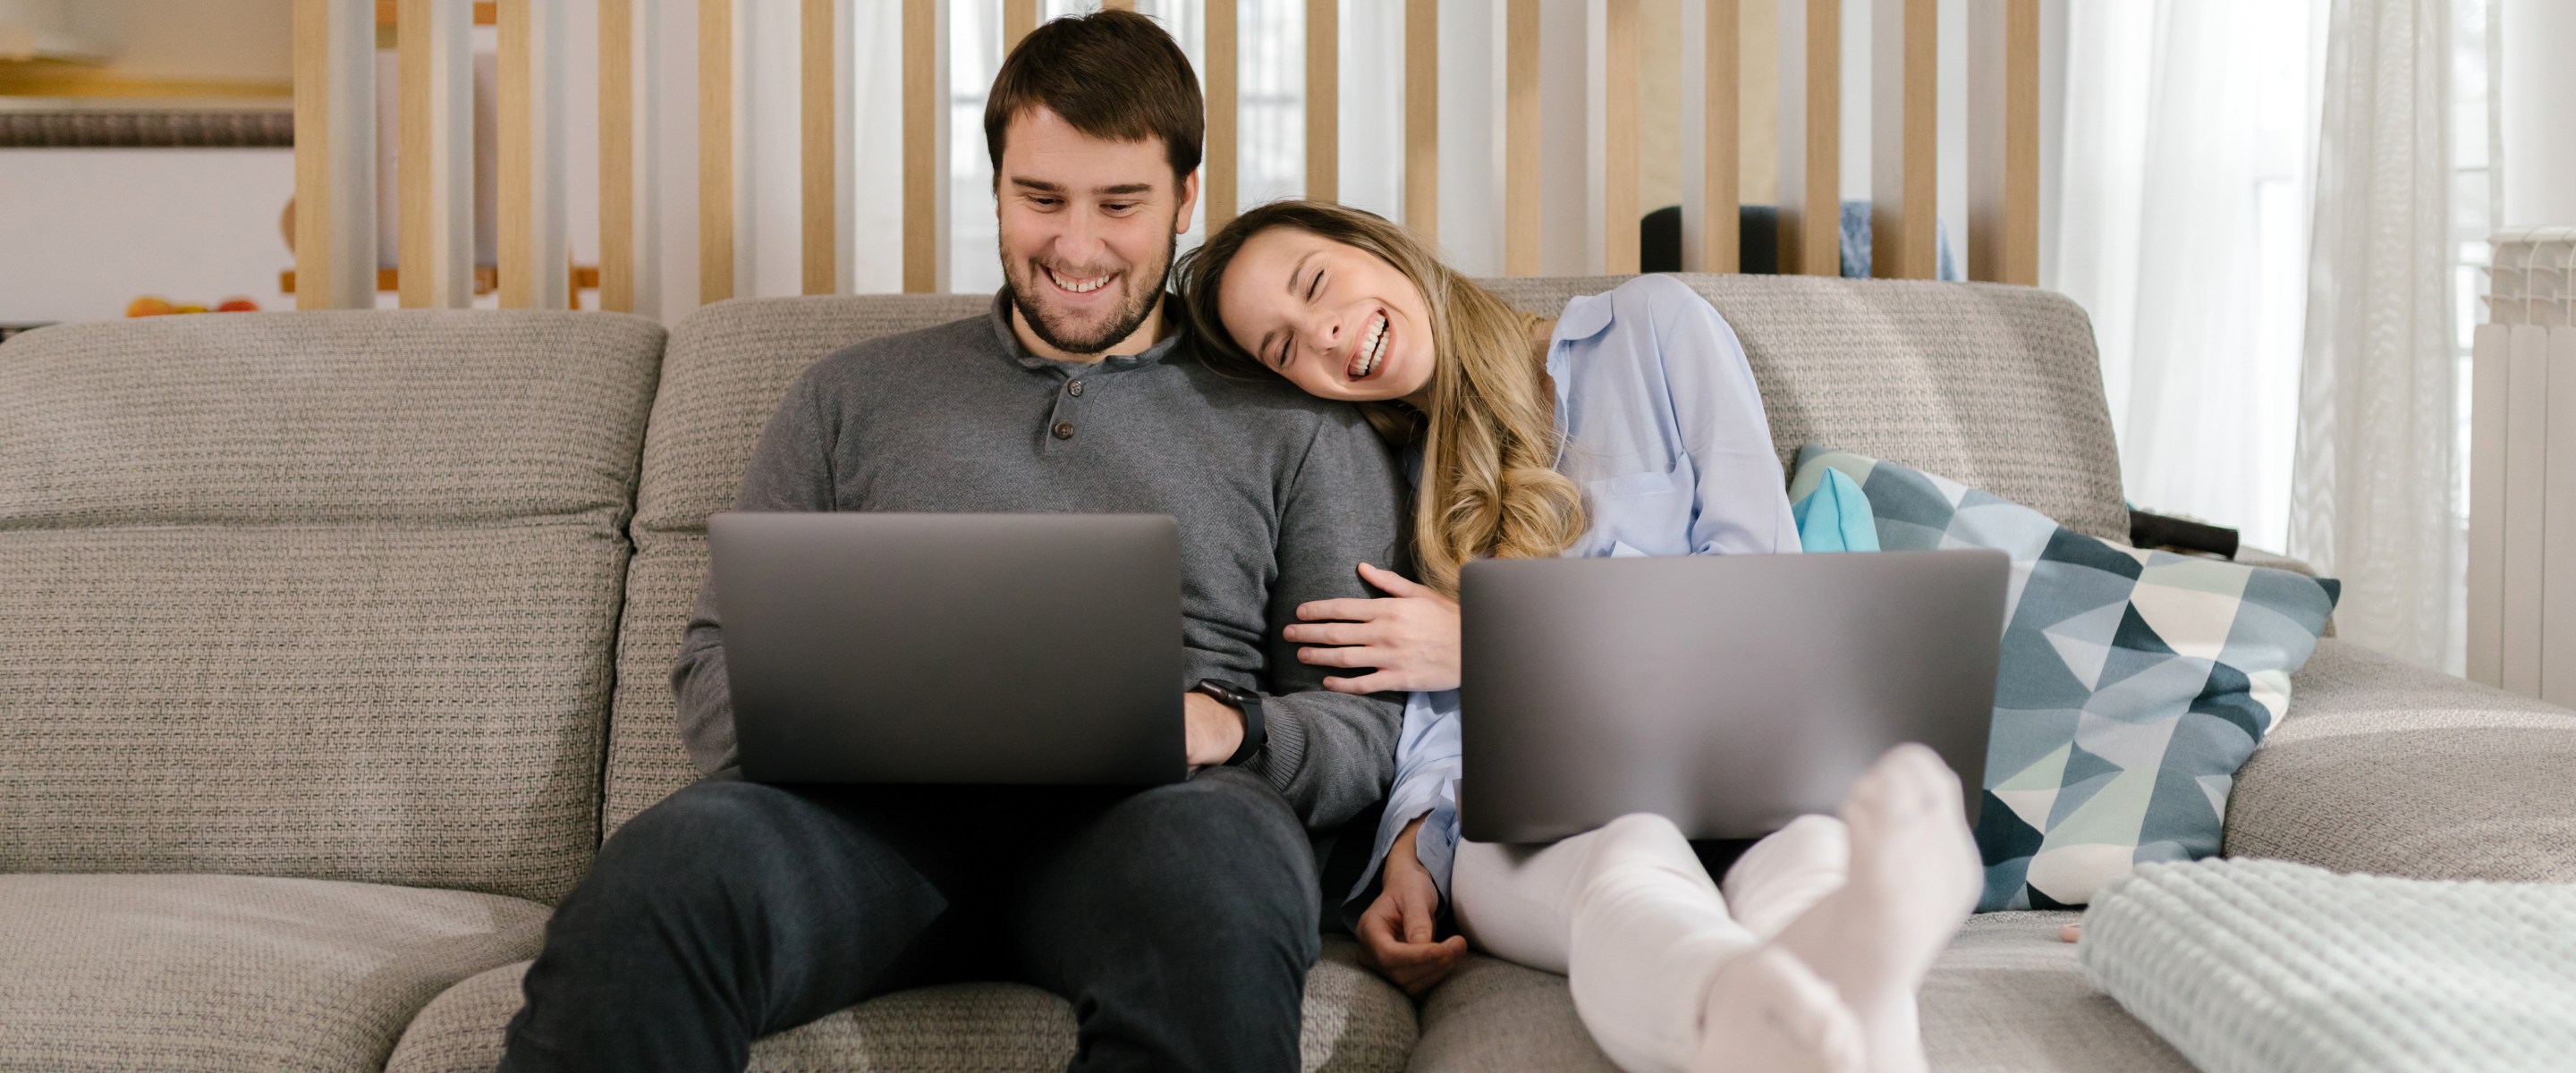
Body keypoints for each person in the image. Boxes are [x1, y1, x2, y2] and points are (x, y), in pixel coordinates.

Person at [496, 17, 1407, 1073]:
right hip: (858, 830)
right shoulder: (851, 396)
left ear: (1185, 198)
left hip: (1164, 820)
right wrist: (850, 720)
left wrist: (1229, 731)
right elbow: (709, 675)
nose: (1076, 248)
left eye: (1120, 205)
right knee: (657, 878)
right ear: (996, 189)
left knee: (1221, 888)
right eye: (1041, 199)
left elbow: (1365, 734)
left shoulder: (1299, 422)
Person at [1175, 199, 1986, 1073]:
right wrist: (1408, 858)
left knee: (1814, 861)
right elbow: (1437, 724)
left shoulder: (1653, 330)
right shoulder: (1388, 479)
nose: (1325, 333)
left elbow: (1759, 595)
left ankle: (1809, 991)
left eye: (1316, 285)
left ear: (1377, 246)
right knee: (1628, 865)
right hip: (1544, 832)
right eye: (1287, 348)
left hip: (1751, 781)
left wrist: (1498, 645)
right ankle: (1752, 1008)